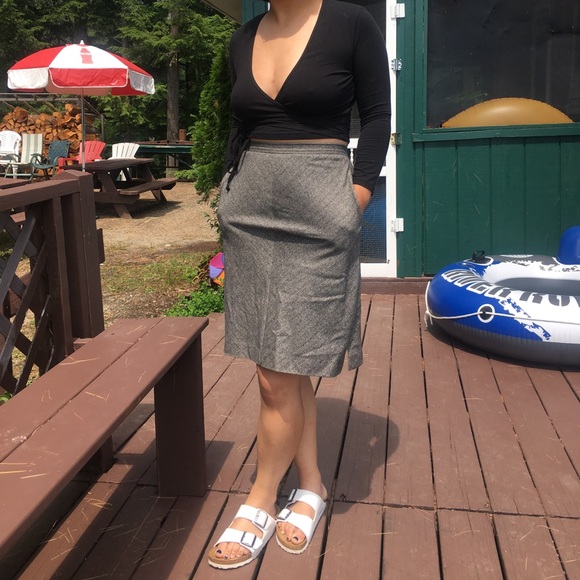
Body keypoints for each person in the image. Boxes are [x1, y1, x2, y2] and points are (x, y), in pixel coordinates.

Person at [208, 0, 391, 570]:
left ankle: (261, 499)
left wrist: (354, 199)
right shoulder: (243, 37)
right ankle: (311, 484)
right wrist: (227, 193)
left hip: (320, 204)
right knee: (281, 362)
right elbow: (240, 126)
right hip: (250, 209)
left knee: (277, 372)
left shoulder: (351, 23)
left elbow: (378, 116)